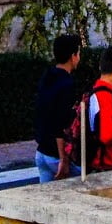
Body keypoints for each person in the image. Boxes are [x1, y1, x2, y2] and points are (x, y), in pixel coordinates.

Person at [34, 33, 81, 183]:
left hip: (41, 152)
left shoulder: (47, 76)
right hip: (55, 156)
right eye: (78, 53)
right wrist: (63, 159)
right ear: (72, 56)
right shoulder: (67, 84)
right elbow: (61, 124)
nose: (79, 58)